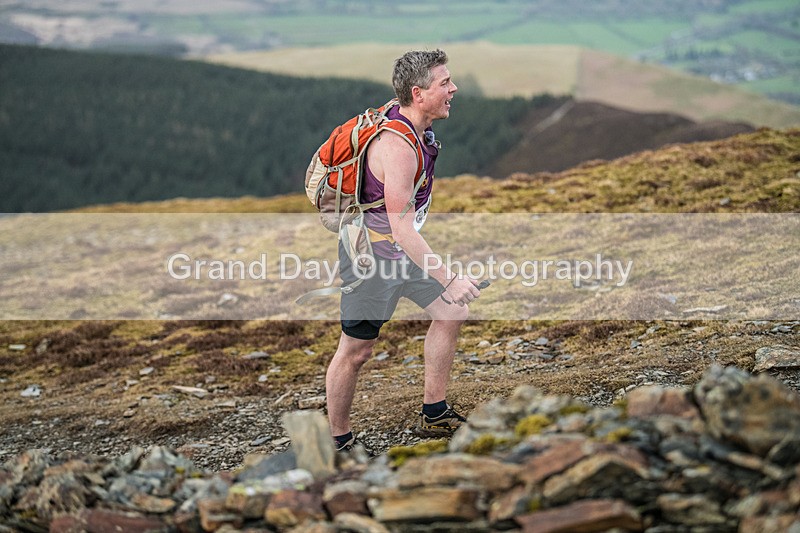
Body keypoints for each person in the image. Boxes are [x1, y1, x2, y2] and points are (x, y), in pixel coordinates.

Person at [325, 49, 483, 452]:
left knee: (451, 311)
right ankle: (338, 440)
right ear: (418, 93)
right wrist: (449, 277)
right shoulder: (398, 147)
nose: (453, 88)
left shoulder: (414, 124)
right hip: (372, 259)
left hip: (401, 252)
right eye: (444, 83)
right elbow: (399, 226)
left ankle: (434, 413)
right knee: (356, 351)